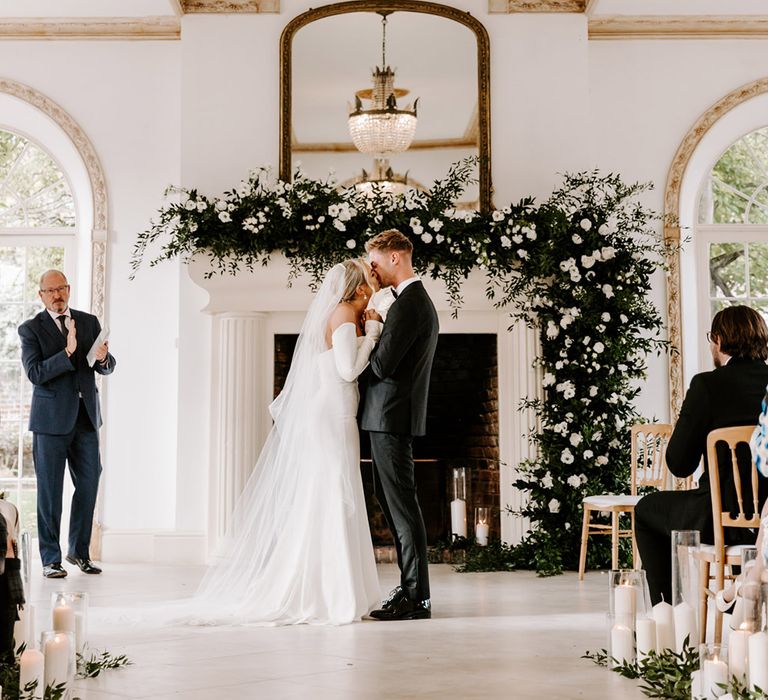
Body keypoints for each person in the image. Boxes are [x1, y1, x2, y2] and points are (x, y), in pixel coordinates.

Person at [182, 259, 383, 626]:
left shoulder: (338, 313)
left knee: (332, 493)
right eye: (369, 283)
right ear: (358, 290)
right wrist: (371, 334)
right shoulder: (343, 316)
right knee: (335, 494)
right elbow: (347, 370)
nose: (373, 288)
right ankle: (330, 594)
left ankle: (337, 589)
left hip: (337, 412)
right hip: (334, 415)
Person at [635, 305, 768, 604]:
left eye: (711, 338)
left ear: (719, 341)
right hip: (766, 525)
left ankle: (666, 612)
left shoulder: (707, 384)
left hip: (718, 519)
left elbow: (679, 465)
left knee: (645, 509)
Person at [362, 229, 439, 621]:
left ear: (395, 257)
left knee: (403, 506)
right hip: (387, 417)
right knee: (394, 505)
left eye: (374, 262)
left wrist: (372, 321)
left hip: (391, 416)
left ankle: (417, 596)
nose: (371, 271)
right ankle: (410, 588)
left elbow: (381, 365)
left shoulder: (409, 304)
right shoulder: (406, 301)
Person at [18, 270, 115, 578]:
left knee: (89, 483)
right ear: (41, 295)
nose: (56, 295)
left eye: (60, 289)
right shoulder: (30, 329)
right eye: (50, 291)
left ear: (69, 290)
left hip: (86, 417)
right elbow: (35, 373)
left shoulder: (89, 322)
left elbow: (107, 367)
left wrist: (103, 358)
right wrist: (68, 351)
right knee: (50, 490)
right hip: (49, 422)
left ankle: (79, 552)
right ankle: (50, 559)